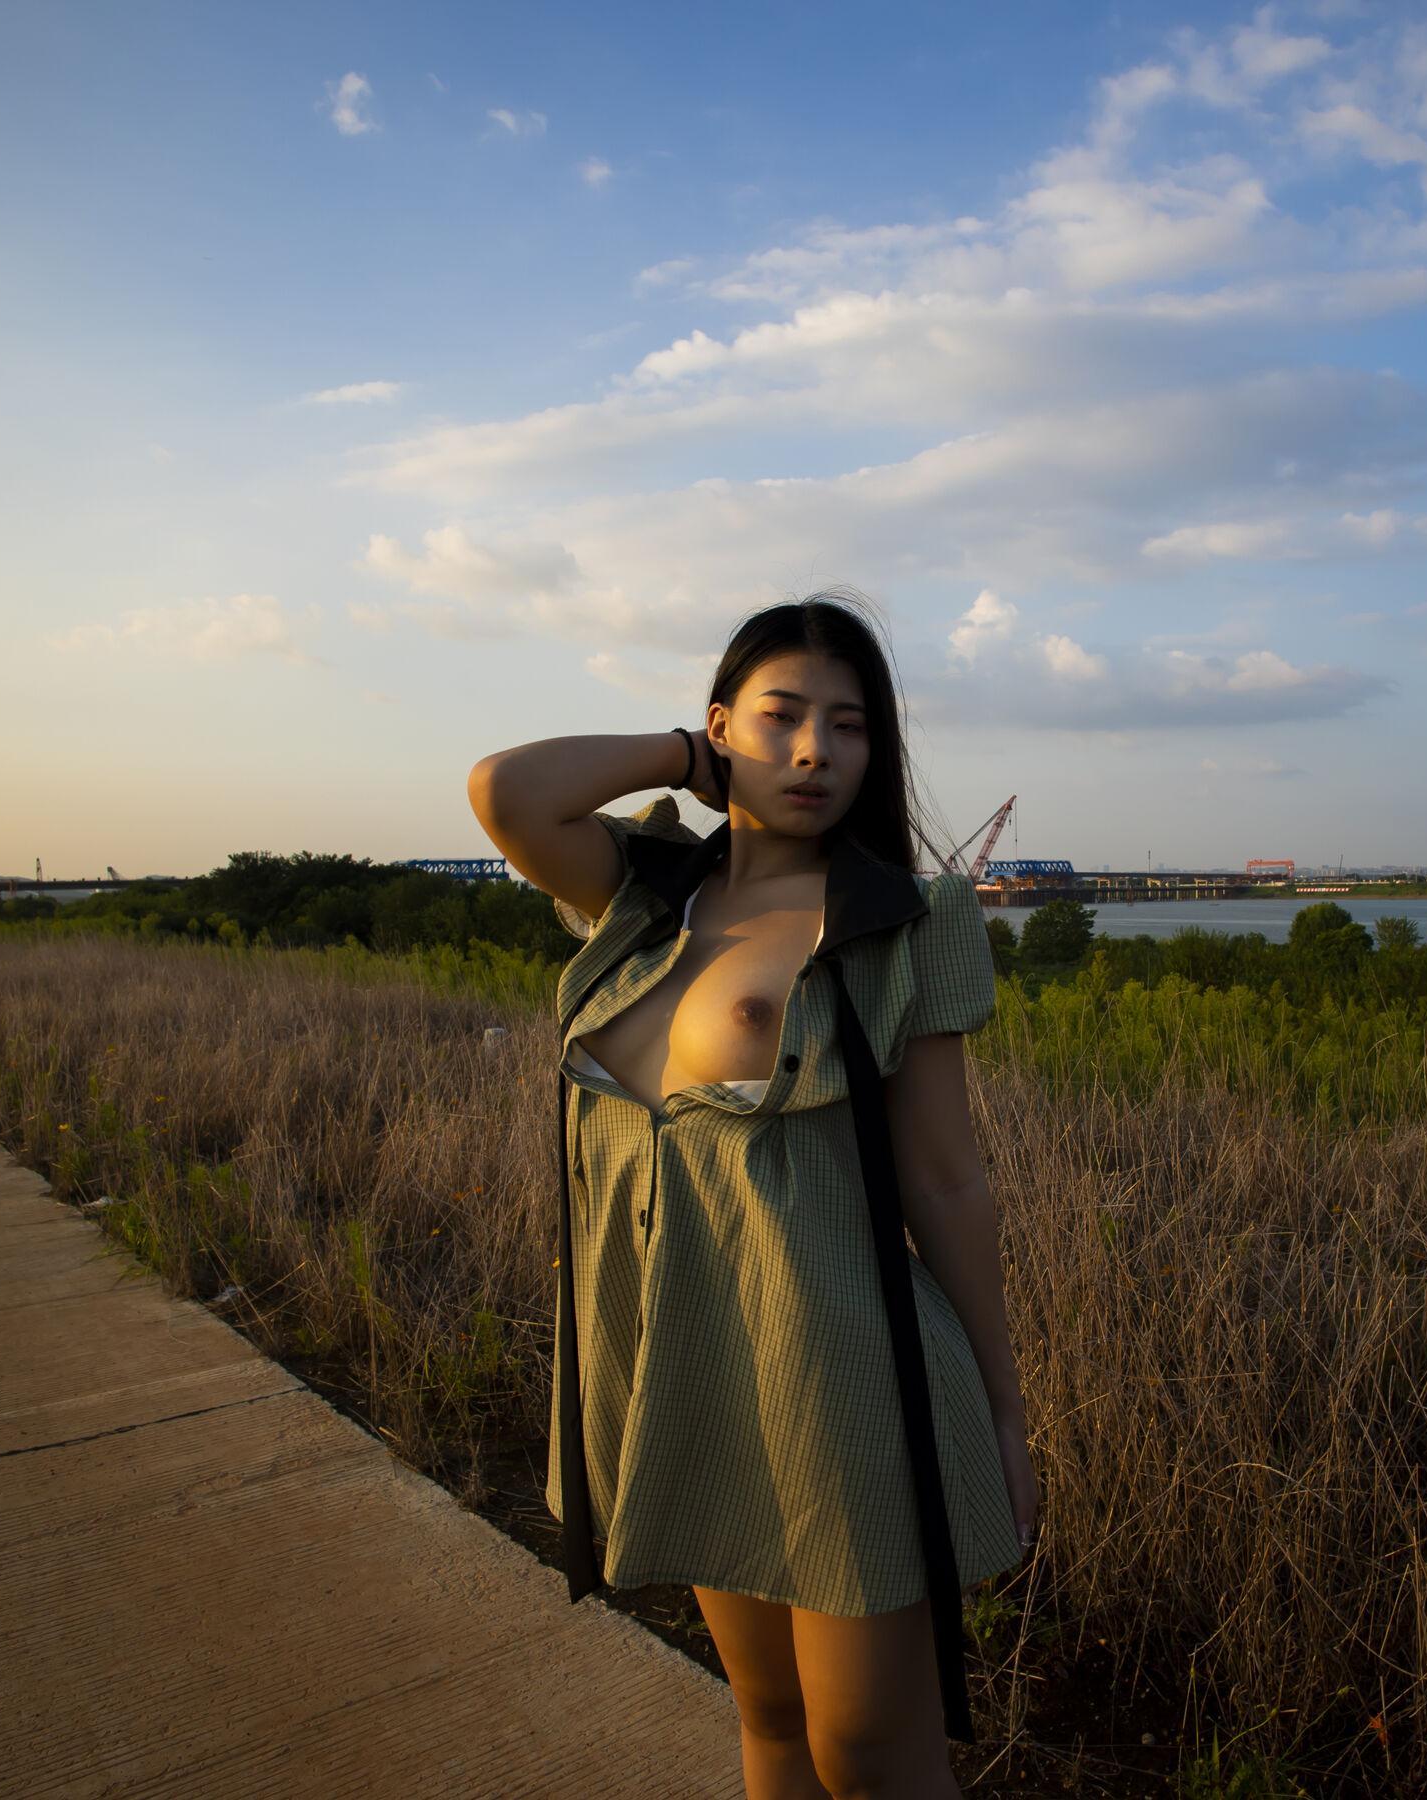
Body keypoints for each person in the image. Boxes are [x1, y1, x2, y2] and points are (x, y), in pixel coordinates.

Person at [467, 589, 1039, 1799]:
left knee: (867, 1752)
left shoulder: (903, 919)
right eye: (781, 716)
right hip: (683, 1362)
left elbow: (947, 1180)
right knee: (770, 1719)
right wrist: (688, 757)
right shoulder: (641, 895)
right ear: (724, 723)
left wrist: (1002, 1410)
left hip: (843, 1378)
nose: (816, 751)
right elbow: (506, 792)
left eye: (850, 725)